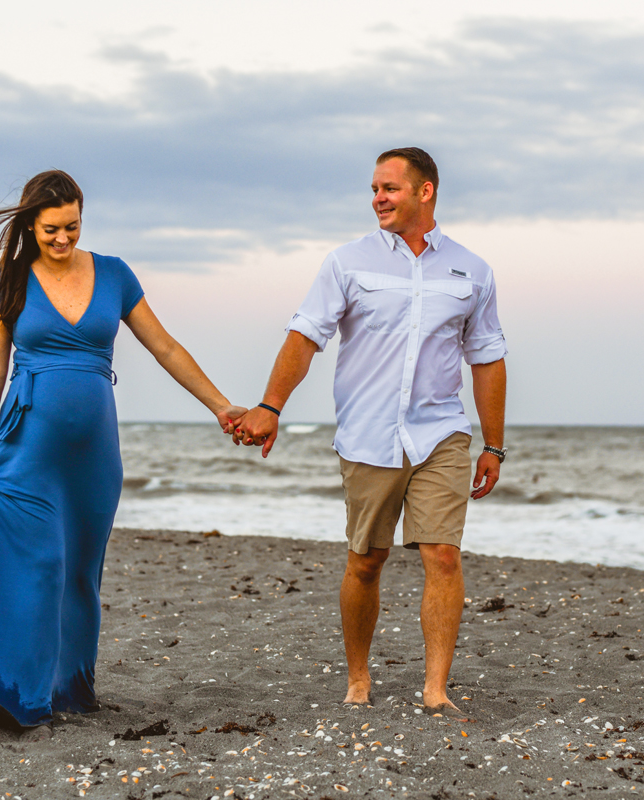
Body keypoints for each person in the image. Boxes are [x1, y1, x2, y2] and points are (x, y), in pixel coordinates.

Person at [0, 170, 245, 738]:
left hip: (95, 455)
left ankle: (70, 690)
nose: (62, 238)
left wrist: (221, 406)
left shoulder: (114, 274)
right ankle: (14, 693)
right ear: (29, 225)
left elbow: (163, 345)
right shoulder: (10, 281)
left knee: (80, 576)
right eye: (50, 230)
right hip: (25, 446)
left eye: (71, 227)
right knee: (38, 565)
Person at [232, 148, 506, 721]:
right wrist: (269, 405)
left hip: (441, 434)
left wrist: (493, 444)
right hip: (368, 436)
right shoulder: (347, 262)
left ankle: (436, 689)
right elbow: (306, 335)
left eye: (390, 188)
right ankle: (359, 678)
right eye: (375, 189)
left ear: (424, 192)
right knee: (366, 561)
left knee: (444, 556)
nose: (378, 198)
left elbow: (486, 357)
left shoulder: (471, 270)